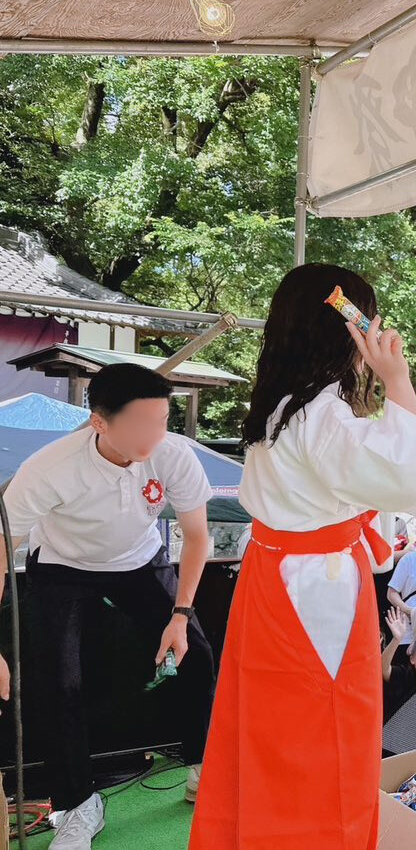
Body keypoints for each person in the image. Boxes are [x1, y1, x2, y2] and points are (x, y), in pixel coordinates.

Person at [190, 264, 416, 850]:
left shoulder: (284, 405)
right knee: (321, 737)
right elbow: (408, 470)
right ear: (344, 328)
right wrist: (395, 378)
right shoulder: (321, 414)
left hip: (279, 577)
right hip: (312, 591)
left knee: (271, 736)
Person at [2, 363, 216, 850]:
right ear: (100, 422)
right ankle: (77, 805)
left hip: (139, 560)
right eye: (143, 425)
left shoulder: (173, 454)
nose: (156, 435)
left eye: (163, 421)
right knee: (60, 683)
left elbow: (198, 536)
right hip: (63, 564)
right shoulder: (50, 467)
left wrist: (180, 617)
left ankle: (203, 766)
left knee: (197, 656)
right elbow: (1, 543)